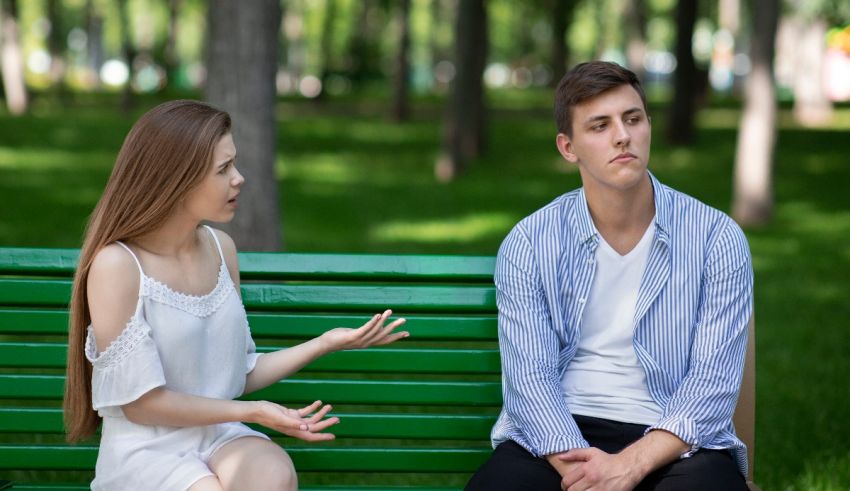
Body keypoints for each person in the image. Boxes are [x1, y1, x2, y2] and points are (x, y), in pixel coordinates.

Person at [63, 100, 409, 491]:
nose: (239, 178)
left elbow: (237, 373)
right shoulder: (118, 266)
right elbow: (141, 404)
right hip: (147, 449)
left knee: (272, 475)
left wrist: (326, 343)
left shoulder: (220, 248)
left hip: (219, 436)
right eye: (223, 169)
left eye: (235, 164)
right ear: (176, 178)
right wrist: (255, 412)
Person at [466, 61, 753, 490]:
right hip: (556, 435)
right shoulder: (529, 242)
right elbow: (530, 381)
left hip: (674, 438)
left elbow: (711, 383)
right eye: (599, 126)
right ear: (568, 147)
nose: (623, 135)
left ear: (648, 126)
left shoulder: (717, 238)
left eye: (632, 119)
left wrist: (631, 465)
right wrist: (585, 471)